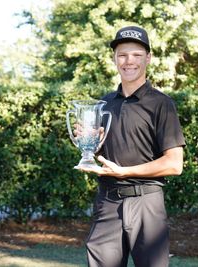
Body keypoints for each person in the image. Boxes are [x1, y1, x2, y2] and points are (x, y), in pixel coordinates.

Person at [78, 25, 186, 267]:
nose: (129, 61)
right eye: (123, 55)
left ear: (148, 58)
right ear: (115, 59)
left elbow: (174, 164)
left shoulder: (161, 104)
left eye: (137, 55)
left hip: (146, 204)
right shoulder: (103, 104)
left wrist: (125, 172)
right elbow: (103, 152)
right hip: (108, 203)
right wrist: (89, 145)